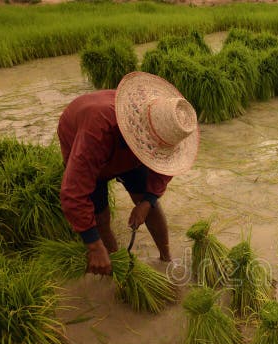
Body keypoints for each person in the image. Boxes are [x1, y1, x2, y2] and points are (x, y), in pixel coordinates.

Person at [57, 71, 200, 276]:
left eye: (159, 150)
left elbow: (165, 167)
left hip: (123, 145)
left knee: (148, 203)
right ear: (141, 138)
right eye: (154, 149)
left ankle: (166, 257)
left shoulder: (163, 130)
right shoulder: (96, 133)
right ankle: (114, 261)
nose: (157, 153)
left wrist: (147, 201)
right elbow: (73, 193)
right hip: (89, 139)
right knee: (100, 215)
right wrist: (93, 245)